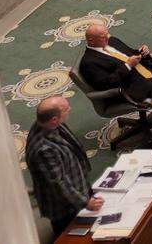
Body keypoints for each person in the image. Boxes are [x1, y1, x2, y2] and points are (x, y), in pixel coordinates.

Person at [26, 96, 102, 237]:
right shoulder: (44, 149)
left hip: (76, 184)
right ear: (54, 119)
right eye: (67, 109)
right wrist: (85, 202)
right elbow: (59, 184)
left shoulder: (50, 123)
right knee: (69, 234)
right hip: (62, 205)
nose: (70, 110)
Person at [79, 22, 152, 101]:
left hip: (148, 69)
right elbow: (107, 84)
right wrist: (127, 66)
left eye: (107, 34)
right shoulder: (88, 63)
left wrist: (142, 53)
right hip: (133, 85)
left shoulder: (112, 40)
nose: (107, 38)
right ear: (91, 41)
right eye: (102, 37)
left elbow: (131, 53)